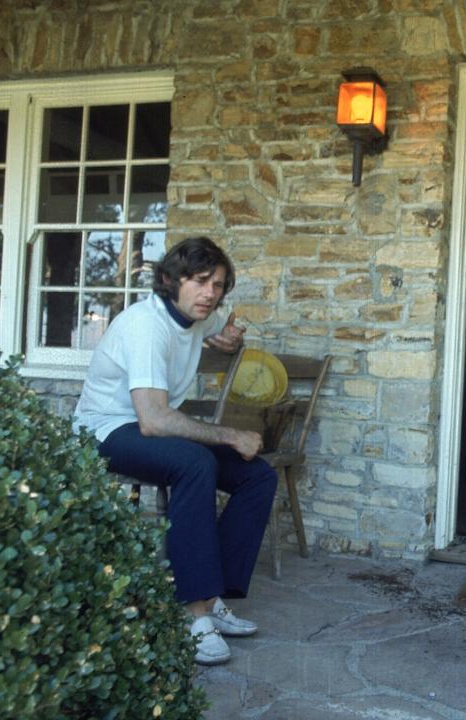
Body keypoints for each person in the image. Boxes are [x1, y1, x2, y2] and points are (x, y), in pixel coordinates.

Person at [73, 236, 277, 665]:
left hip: (147, 426)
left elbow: (217, 331)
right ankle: (194, 615)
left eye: (219, 285)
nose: (210, 293)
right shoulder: (145, 325)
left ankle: (215, 595)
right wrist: (230, 435)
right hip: (106, 429)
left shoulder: (195, 316)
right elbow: (154, 420)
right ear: (169, 280)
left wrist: (229, 338)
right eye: (200, 281)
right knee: (196, 463)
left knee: (257, 475)